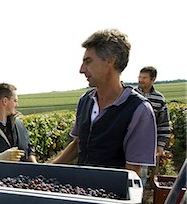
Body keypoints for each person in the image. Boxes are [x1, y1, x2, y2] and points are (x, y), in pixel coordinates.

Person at [52, 29, 157, 175]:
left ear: (110, 61)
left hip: (110, 195)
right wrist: (46, 170)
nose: (81, 70)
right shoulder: (85, 101)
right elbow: (77, 145)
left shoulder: (138, 110)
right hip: (81, 192)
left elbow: (132, 171)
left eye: (88, 62)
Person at [136, 66, 171, 157]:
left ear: (153, 79)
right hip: (127, 143)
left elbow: (163, 124)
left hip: (148, 144)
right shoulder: (130, 95)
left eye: (144, 77)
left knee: (142, 171)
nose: (141, 80)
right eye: (139, 77)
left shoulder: (159, 99)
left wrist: (160, 146)